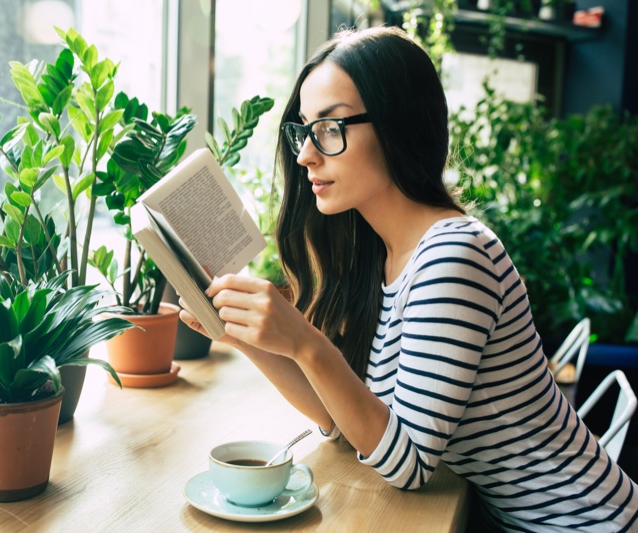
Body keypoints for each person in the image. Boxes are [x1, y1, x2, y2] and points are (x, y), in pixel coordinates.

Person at [179, 26, 637, 531]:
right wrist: (240, 335)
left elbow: (408, 464)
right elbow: (348, 426)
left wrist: (306, 341)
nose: (306, 154)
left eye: (331, 129)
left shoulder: (455, 256)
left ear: (399, 126)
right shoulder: (384, 257)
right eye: (303, 131)